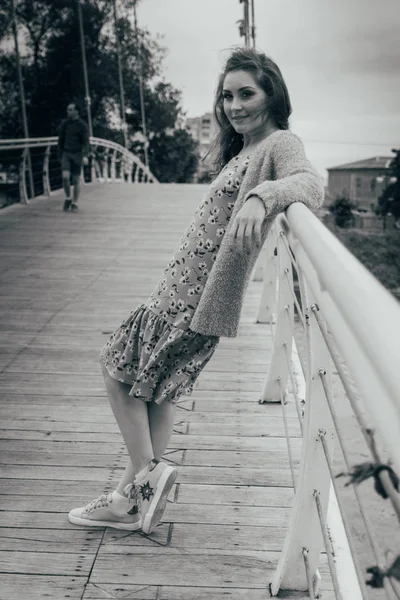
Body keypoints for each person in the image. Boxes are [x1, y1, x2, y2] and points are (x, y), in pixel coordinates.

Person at [68, 47, 324, 534]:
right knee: (158, 393)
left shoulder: (280, 143)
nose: (235, 105)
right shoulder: (244, 149)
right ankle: (129, 502)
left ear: (272, 94)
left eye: (247, 93)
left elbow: (311, 184)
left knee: (115, 369)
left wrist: (261, 196)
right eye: (227, 96)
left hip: (192, 296)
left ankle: (147, 476)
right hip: (180, 286)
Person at [58, 103, 90, 212]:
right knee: (65, 177)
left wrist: (85, 155)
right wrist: (60, 155)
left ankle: (75, 203)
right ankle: (68, 197)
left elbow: (86, 142)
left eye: (70, 110)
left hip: (77, 154)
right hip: (66, 153)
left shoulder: (82, 125)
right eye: (68, 110)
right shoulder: (65, 124)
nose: (68, 112)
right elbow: (60, 140)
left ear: (76, 111)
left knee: (76, 180)